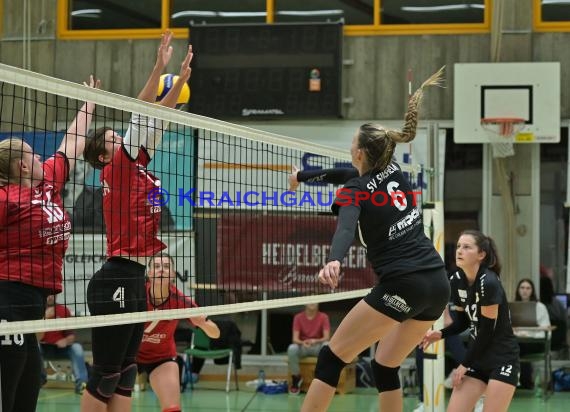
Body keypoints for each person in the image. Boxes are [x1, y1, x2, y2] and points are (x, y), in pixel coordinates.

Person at [298, 67, 449, 412]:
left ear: (361, 153)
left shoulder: (356, 190)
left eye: (352, 143)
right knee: (384, 366)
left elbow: (346, 228)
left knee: (330, 359)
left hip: (404, 285)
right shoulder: (394, 170)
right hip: (436, 285)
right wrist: (303, 176)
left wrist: (334, 258)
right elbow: (343, 171)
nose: (349, 147)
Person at [80, 31, 192, 411]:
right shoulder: (119, 168)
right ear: (103, 155)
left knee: (126, 374)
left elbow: (155, 121)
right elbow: (141, 110)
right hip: (117, 276)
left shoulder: (136, 165)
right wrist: (160, 68)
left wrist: (179, 83)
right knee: (107, 373)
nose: (121, 137)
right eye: (114, 137)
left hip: (132, 276)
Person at [0, 75, 99, 412]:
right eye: (33, 155)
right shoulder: (5, 198)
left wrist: (89, 102)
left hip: (33, 305)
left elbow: (70, 145)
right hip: (7, 301)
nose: (42, 158)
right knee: (9, 391)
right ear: (22, 165)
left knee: (29, 389)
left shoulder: (47, 185)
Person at [420, 230, 519, 412]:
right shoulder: (456, 280)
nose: (459, 251)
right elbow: (463, 323)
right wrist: (440, 334)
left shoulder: (488, 282)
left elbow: (487, 331)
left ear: (481, 255)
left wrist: (464, 364)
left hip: (502, 359)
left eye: (466, 247)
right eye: (458, 246)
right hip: (478, 360)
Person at [137, 253, 219, 412]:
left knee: (172, 408)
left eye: (167, 267)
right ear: (149, 273)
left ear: (173, 274)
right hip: (130, 355)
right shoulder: (137, 295)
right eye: (157, 266)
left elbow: (215, 333)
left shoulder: (181, 301)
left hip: (161, 358)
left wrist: (202, 323)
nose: (162, 270)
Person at [39, 295, 89, 394]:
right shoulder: (37, 310)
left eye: (53, 294)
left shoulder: (63, 310)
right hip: (43, 348)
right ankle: (39, 380)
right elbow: (33, 336)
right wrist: (45, 317)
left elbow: (71, 336)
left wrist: (65, 341)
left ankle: (81, 384)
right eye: (48, 294)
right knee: (35, 347)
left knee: (77, 348)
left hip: (60, 349)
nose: (50, 297)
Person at [514, 278, 551, 389]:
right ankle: (520, 381)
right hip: (518, 341)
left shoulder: (540, 307)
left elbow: (546, 329)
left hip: (536, 342)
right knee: (511, 347)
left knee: (515, 349)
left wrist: (529, 334)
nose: (525, 290)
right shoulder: (513, 306)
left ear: (532, 291)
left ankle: (521, 381)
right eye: (522, 288)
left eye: (528, 288)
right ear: (518, 290)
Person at [287, 303, 330, 395]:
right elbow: (295, 339)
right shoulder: (298, 317)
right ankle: (296, 378)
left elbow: (326, 337)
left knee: (327, 345)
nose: (312, 303)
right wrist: (303, 342)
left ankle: (322, 379)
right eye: (311, 300)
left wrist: (315, 341)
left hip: (317, 346)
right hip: (304, 346)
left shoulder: (323, 317)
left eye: (315, 300)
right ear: (305, 302)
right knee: (292, 348)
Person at [539, 275, 568, 352]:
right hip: (558, 337)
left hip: (544, 336)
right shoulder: (558, 303)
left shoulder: (538, 304)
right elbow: (565, 320)